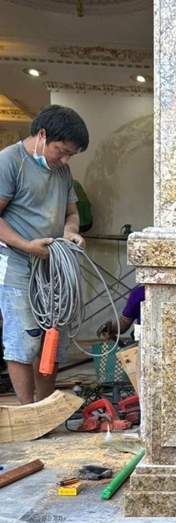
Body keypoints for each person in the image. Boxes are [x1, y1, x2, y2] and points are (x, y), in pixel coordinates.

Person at [0, 105, 89, 405]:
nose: (64, 160)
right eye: (61, 151)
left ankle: (45, 406)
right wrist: (27, 246)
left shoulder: (62, 170)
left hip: (54, 269)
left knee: (53, 338)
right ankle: (28, 411)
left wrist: (71, 231)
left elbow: (71, 213)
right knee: (24, 340)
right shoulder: (9, 162)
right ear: (42, 135)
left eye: (70, 155)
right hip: (17, 266)